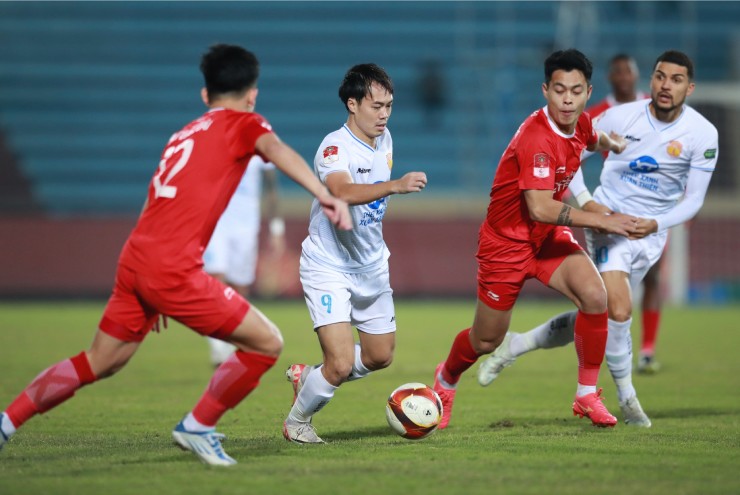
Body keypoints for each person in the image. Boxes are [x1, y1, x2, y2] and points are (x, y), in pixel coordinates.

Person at [0, 44, 351, 466]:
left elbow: (155, 200)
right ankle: (197, 427)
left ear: (205, 95)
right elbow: (276, 150)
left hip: (137, 257)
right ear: (252, 93)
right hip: (168, 268)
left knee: (100, 360)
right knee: (266, 343)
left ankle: (6, 422)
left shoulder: (182, 134)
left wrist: (149, 282)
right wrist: (324, 195)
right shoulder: (244, 122)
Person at [478, 50, 718, 427]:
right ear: (650, 80)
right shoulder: (620, 114)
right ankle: (626, 398)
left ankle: (521, 342)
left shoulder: (704, 134)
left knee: (598, 310)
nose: (665, 86)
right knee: (618, 309)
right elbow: (570, 159)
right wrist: (591, 206)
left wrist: (656, 225)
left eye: (674, 80)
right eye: (659, 77)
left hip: (650, 232)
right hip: (608, 221)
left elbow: (694, 199)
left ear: (689, 87)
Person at [431, 49, 637, 430]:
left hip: (545, 238)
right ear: (546, 90)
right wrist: (599, 219)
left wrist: (614, 143)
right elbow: (541, 207)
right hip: (506, 243)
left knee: (595, 296)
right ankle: (446, 379)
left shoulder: (582, 123)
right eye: (559, 90)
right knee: (486, 340)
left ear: (588, 91)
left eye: (576, 91)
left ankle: (586, 395)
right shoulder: (536, 138)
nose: (567, 99)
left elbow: (592, 139)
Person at [282, 63, 428, 444]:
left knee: (380, 355)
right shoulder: (334, 148)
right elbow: (342, 191)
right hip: (328, 265)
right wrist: (394, 186)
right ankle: (297, 423)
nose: (383, 114)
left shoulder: (385, 138)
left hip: (372, 265)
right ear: (352, 104)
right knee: (342, 362)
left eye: (389, 106)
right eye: (375, 106)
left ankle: (308, 377)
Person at [586, 53, 664, 374]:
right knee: (606, 289)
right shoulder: (601, 113)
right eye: (616, 72)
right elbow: (573, 149)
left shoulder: (657, 107)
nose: (622, 77)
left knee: (655, 276)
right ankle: (613, 348)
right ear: (610, 78)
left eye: (627, 71)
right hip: (616, 210)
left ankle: (646, 349)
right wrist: (576, 196)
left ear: (636, 76)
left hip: (655, 209)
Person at [203, 154, 285, 366]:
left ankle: (231, 337)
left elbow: (271, 188)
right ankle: (217, 345)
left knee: (239, 287)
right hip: (216, 220)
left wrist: (276, 228)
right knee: (215, 278)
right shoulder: (215, 139)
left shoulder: (260, 143)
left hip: (246, 225)